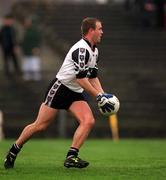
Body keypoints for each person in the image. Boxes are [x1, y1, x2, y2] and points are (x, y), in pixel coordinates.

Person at [4, 17, 114, 169]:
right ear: (90, 31)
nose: (102, 32)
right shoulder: (81, 50)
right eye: (99, 28)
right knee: (40, 125)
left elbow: (93, 77)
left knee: (88, 121)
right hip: (60, 89)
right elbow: (81, 79)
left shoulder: (94, 51)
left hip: (74, 92)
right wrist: (98, 96)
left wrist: (104, 94)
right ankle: (13, 150)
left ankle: (71, 157)